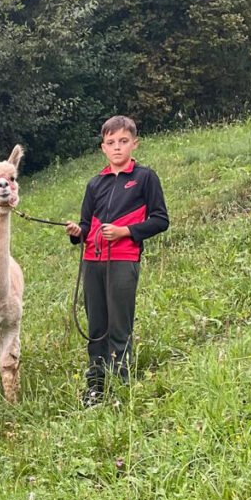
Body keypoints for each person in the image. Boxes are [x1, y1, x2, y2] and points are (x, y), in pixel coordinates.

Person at [65, 115, 169, 406]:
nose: (117, 148)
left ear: (134, 143)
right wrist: (77, 232)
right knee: (97, 326)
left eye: (123, 141)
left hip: (124, 259)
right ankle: (95, 387)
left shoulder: (145, 178)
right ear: (103, 148)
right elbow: (86, 227)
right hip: (92, 261)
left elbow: (161, 220)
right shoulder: (94, 184)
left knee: (119, 326)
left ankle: (122, 386)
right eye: (111, 143)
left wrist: (125, 231)